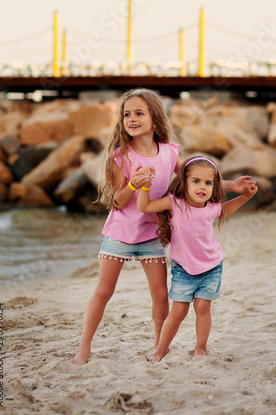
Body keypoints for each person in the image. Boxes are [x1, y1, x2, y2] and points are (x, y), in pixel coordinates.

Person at [73, 88, 255, 365]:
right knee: (104, 290)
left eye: (138, 113)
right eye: (126, 114)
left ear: (155, 119)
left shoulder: (169, 153)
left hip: (153, 234)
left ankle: (159, 346)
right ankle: (83, 347)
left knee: (159, 294)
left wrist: (232, 186)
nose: (131, 119)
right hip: (120, 233)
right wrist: (134, 183)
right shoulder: (120, 156)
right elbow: (117, 203)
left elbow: (196, 177)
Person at [137, 156, 258, 362]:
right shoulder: (174, 203)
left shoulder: (211, 206)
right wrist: (145, 187)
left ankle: (200, 349)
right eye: (196, 181)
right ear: (184, 182)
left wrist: (245, 197)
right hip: (183, 269)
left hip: (212, 267)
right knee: (179, 311)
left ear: (214, 186)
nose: (202, 187)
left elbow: (226, 210)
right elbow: (144, 207)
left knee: (203, 307)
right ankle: (160, 350)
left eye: (208, 183)